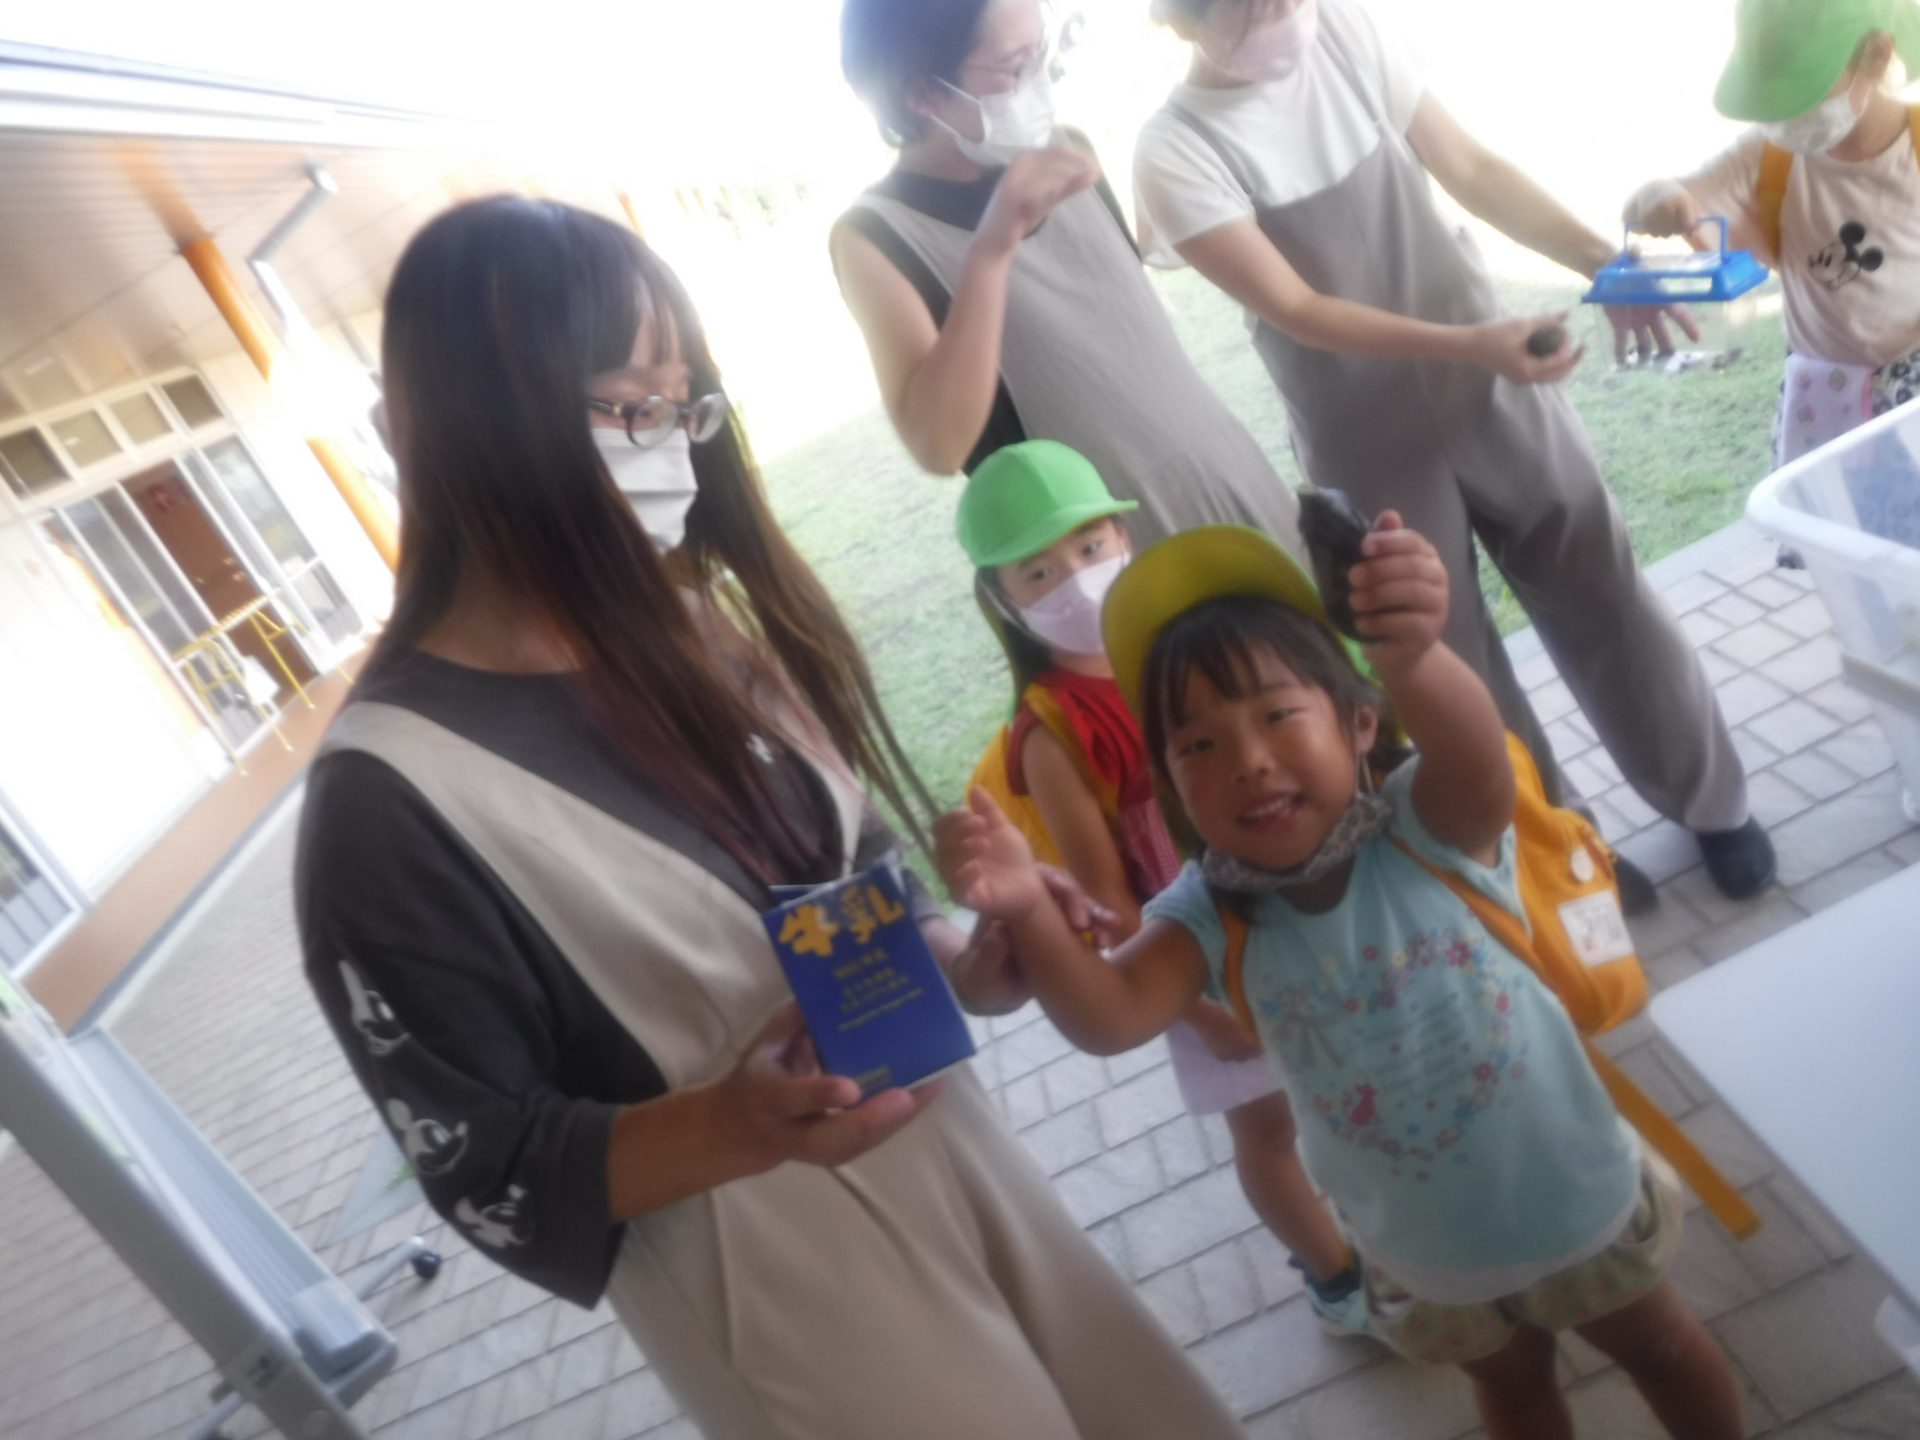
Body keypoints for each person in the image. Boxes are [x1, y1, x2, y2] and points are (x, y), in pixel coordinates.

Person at [296, 196, 1250, 1440]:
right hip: (768, 1265)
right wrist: (733, 1123)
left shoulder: (694, 629)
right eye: (631, 407)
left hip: (945, 1139)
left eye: (682, 406)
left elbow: (851, 877)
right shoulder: (388, 803)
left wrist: (964, 952)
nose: (673, 453)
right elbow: (492, 1164)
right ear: (478, 426)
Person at [937, 518, 1745, 1440]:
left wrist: (1411, 653)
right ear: (1170, 783)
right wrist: (1027, 909)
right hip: (1422, 1252)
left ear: (1361, 722)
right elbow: (1110, 1017)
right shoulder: (1212, 911)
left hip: (1570, 1195)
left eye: (1278, 715)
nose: (1246, 761)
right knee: (1515, 1395)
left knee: (1660, 1347)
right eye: (1197, 747)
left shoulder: (1424, 823)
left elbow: (1477, 755)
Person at [1132, 0, 1776, 902]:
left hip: (1495, 379)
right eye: (1257, 5)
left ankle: (1714, 803)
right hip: (1367, 427)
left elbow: (1470, 167)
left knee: (1604, 586)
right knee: (1449, 658)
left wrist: (1603, 261)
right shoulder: (1175, 152)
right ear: (1183, 17)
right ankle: (1560, 853)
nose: (1287, 11)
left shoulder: (1345, 33)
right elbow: (1298, 308)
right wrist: (1472, 344)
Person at [956, 438, 1365, 1331]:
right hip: (1192, 960)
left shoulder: (1182, 658)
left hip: (1289, 912)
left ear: (1124, 537)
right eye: (1038, 572)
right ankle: (1338, 1281)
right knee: (1265, 1127)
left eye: (1089, 545)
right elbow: (1111, 904)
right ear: (1002, 600)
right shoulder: (1051, 735)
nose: (1075, 579)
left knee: (1344, 1082)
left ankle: (1387, 1219)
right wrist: (1202, 1009)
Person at [832, 0, 1300, 550]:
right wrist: (991, 250)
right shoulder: (876, 237)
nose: (1040, 78)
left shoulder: (1068, 151)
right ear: (924, 94)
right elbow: (938, 444)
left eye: (1041, 52)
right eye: (1015, 66)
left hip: (1228, 469)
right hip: (1100, 553)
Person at [1626, 0, 1920, 467]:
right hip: (1818, 391)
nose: (1784, 117)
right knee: (1817, 506)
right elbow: (1676, 196)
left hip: (1912, 389)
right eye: (1772, 98)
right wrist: (1656, 196)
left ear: (1877, 55)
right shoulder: (1769, 156)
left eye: (1802, 91)